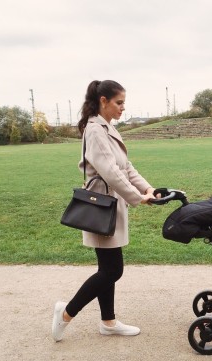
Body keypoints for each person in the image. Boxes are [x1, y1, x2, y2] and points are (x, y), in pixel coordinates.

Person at [52, 80, 158, 342]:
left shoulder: (107, 127)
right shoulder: (95, 129)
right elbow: (110, 172)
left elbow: (125, 165)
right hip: (101, 205)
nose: (123, 108)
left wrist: (148, 189)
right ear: (103, 101)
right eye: (119, 102)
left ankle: (108, 322)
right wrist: (137, 197)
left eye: (124, 103)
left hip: (110, 204)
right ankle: (65, 314)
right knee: (112, 270)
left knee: (107, 267)